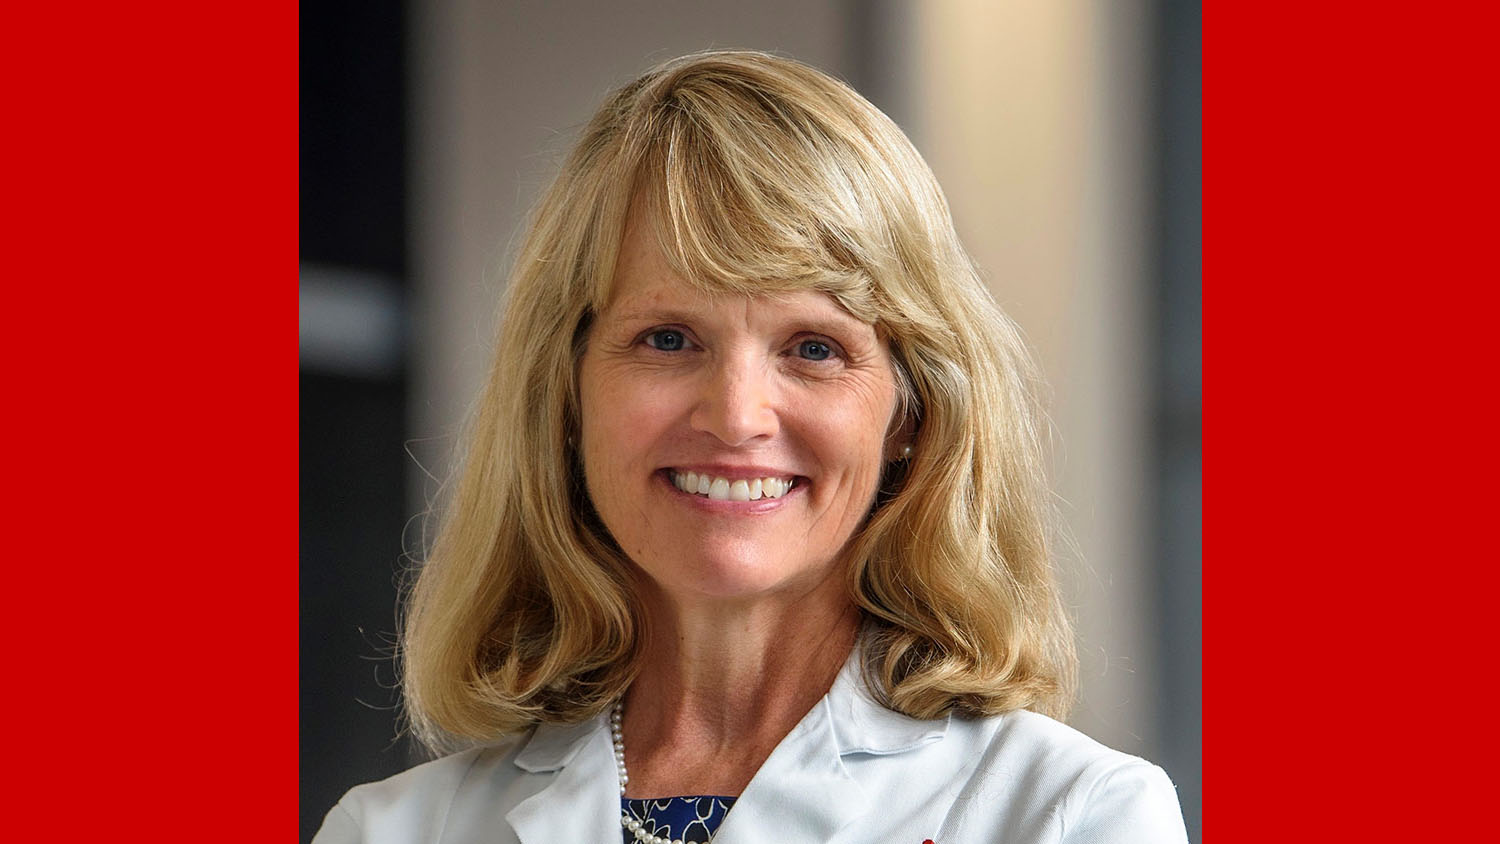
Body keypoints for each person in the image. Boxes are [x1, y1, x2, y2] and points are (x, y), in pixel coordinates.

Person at [312, 50, 1189, 844]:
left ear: (912, 414)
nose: (736, 417)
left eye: (813, 348)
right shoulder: (393, 831)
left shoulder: (1071, 816)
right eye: (667, 339)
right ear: (566, 396)